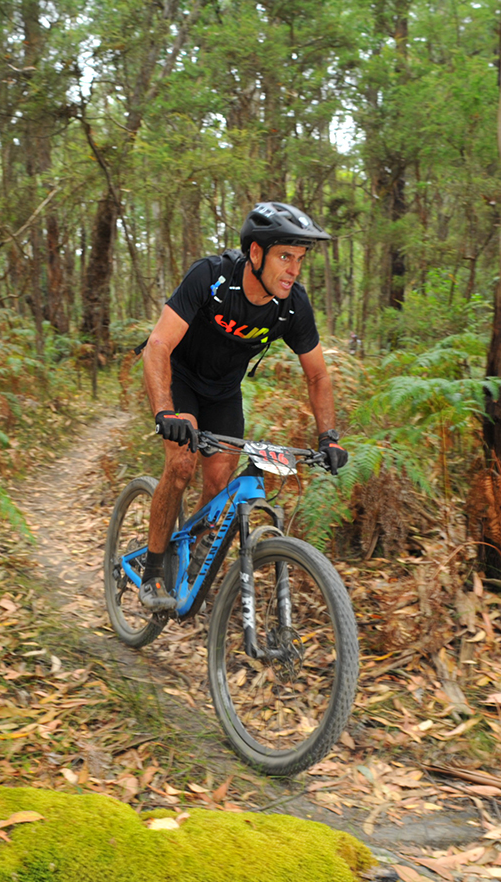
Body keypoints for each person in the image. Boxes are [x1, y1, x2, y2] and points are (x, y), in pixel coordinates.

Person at [137, 202, 349, 611]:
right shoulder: (211, 278)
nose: (294, 270)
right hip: (181, 378)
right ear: (255, 253)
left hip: (224, 392)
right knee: (181, 465)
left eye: (300, 259)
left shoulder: (292, 305)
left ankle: (190, 559)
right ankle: (152, 571)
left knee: (218, 484)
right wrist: (165, 412)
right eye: (285, 257)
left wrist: (330, 436)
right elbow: (158, 344)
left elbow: (318, 375)